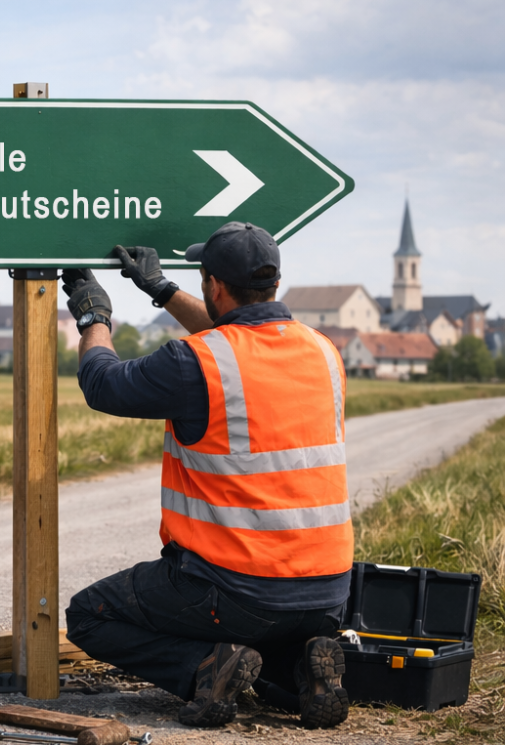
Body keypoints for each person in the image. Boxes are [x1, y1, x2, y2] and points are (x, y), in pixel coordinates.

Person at [61, 222, 351, 729]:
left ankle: (203, 669)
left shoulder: (192, 363)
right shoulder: (322, 350)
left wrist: (94, 317)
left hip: (235, 591)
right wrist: (162, 290)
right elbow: (237, 337)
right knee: (267, 659)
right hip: (328, 596)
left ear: (214, 286)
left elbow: (103, 383)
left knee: (88, 615)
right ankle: (301, 668)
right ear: (274, 282)